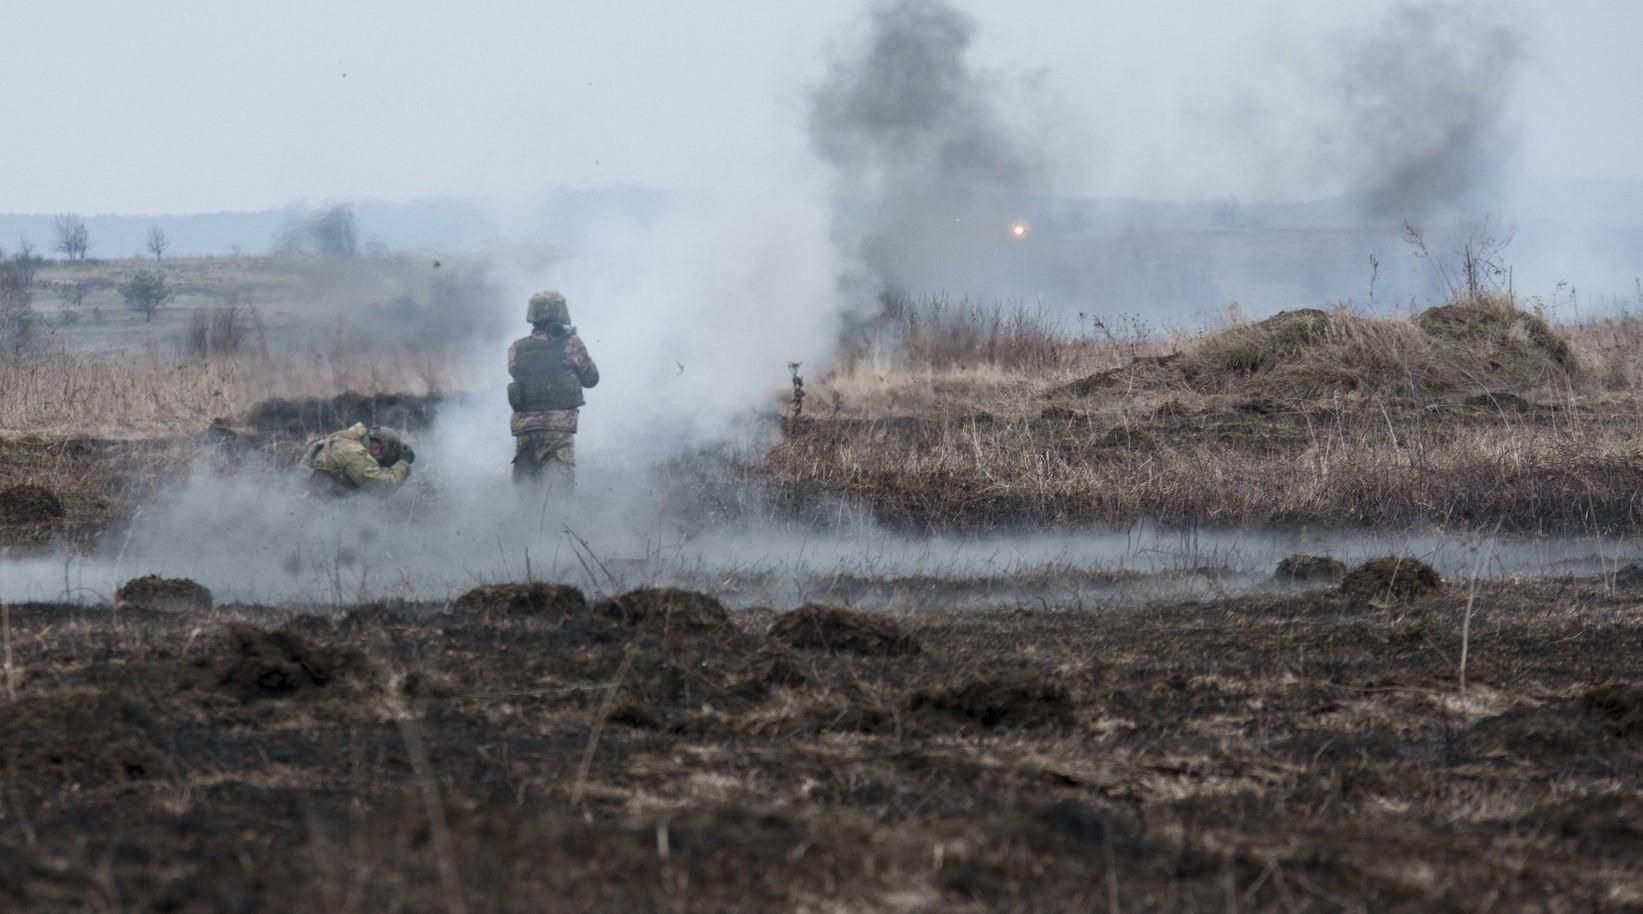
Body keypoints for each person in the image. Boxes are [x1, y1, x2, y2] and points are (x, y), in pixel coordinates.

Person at [508, 290, 599, 489]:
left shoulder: (516, 347)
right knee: (558, 497)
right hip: (558, 431)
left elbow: (515, 372)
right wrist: (571, 339)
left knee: (526, 495)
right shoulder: (572, 344)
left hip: (526, 430)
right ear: (562, 313)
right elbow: (592, 379)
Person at [302, 423, 415, 497]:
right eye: (376, 447)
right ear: (370, 438)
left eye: (380, 449)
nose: (374, 451)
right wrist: (403, 463)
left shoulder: (347, 440)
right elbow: (382, 488)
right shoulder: (353, 451)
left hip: (309, 497)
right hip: (304, 500)